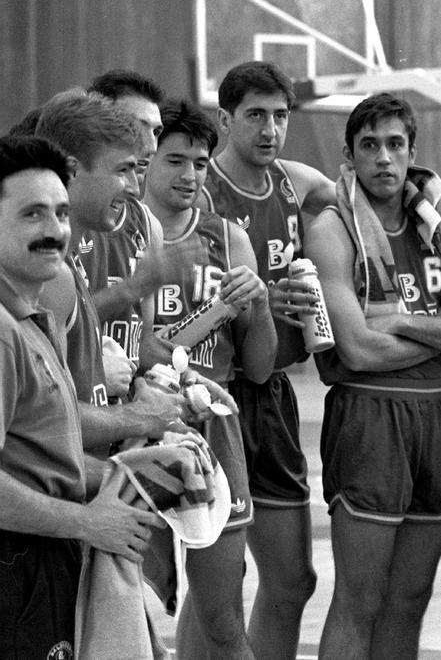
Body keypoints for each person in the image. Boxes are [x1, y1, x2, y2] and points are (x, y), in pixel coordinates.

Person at [308, 92, 441, 659]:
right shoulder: (331, 229)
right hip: (368, 415)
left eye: (395, 145)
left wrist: (406, 320)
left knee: (411, 597)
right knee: (359, 600)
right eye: (370, 146)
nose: (384, 159)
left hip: (435, 415)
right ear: (350, 156)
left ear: (413, 153)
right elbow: (359, 350)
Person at [0, 134, 164, 658]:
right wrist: (88, 522)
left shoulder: (33, 319)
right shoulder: (3, 333)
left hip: (43, 559)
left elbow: (37, 455)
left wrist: (140, 472)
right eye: (32, 215)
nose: (55, 231)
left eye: (61, 212)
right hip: (17, 568)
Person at [201, 60, 331, 657]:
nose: (270, 129)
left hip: (274, 391)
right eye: (256, 115)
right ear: (225, 119)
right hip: (214, 391)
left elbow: (368, 183)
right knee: (218, 590)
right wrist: (255, 300)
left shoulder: (295, 182)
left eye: (281, 116)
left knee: (293, 580)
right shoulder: (199, 190)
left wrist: (431, 188)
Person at [143, 97, 276, 658]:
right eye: (175, 159)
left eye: (200, 162)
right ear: (145, 159)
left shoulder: (229, 240)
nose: (190, 174)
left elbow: (262, 366)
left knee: (223, 620)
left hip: (213, 434)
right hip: (137, 430)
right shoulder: (119, 235)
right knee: (137, 618)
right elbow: (137, 347)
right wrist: (211, 317)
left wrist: (260, 306)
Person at [33, 90, 187, 449]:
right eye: (123, 170)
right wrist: (140, 418)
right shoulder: (50, 276)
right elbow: (40, 423)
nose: (134, 188)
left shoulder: (67, 266)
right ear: (71, 171)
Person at [80, 70, 170, 391]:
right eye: (135, 126)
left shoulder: (147, 226)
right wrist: (129, 289)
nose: (150, 144)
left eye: (156, 131)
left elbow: (140, 345)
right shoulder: (63, 221)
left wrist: (182, 376)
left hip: (118, 423)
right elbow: (51, 334)